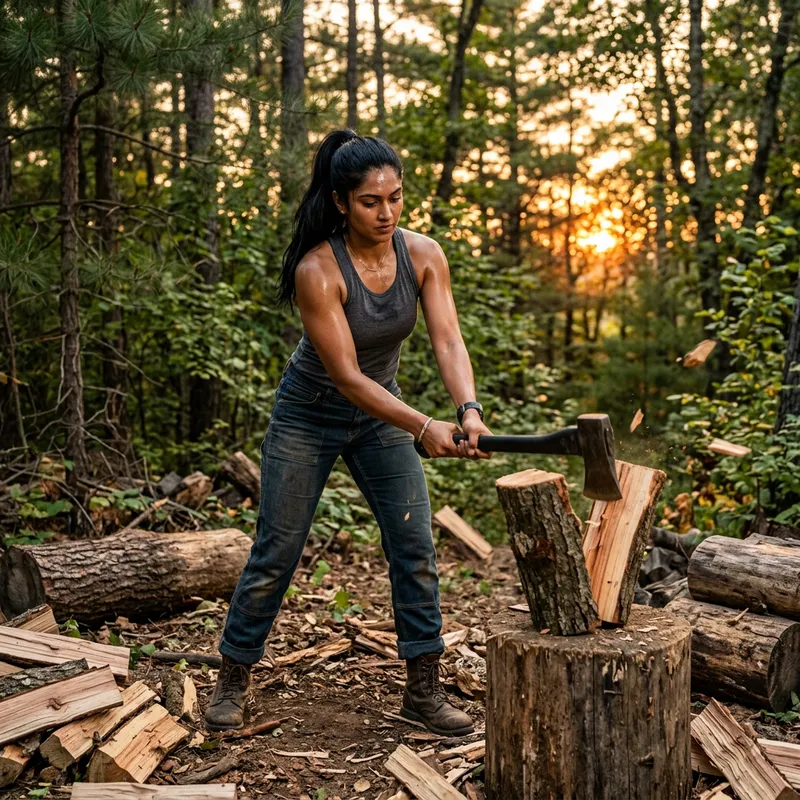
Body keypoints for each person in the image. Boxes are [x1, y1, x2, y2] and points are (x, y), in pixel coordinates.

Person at [205, 129, 493, 737]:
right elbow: (347, 377)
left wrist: (466, 408)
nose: (386, 213)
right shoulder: (318, 270)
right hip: (311, 414)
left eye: (395, 198)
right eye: (370, 201)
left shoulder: (424, 255)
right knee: (277, 550)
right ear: (341, 202)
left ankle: (423, 689)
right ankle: (233, 673)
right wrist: (423, 425)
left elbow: (447, 339)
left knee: (413, 545)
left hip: (379, 418)